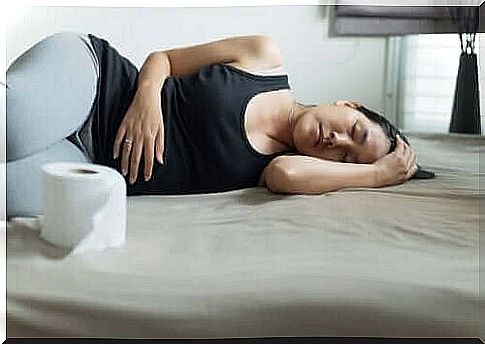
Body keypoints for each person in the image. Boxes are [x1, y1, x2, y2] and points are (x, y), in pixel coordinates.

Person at [6, 31, 434, 218]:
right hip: (95, 80)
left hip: (88, 162)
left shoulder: (282, 169)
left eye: (346, 157)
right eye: (353, 130)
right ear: (349, 104)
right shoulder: (263, 57)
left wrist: (375, 174)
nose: (336, 141)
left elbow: (286, 175)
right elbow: (164, 59)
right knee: (16, 123)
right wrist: (148, 99)